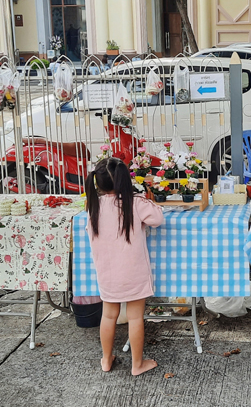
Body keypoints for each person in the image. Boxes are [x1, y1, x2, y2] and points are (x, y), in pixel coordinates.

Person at [85, 157, 164, 376]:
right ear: (125, 181)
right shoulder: (134, 203)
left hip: (107, 273)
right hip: (133, 272)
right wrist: (144, 198)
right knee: (135, 316)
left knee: (109, 315)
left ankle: (106, 359)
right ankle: (137, 364)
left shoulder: (93, 206)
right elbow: (157, 219)